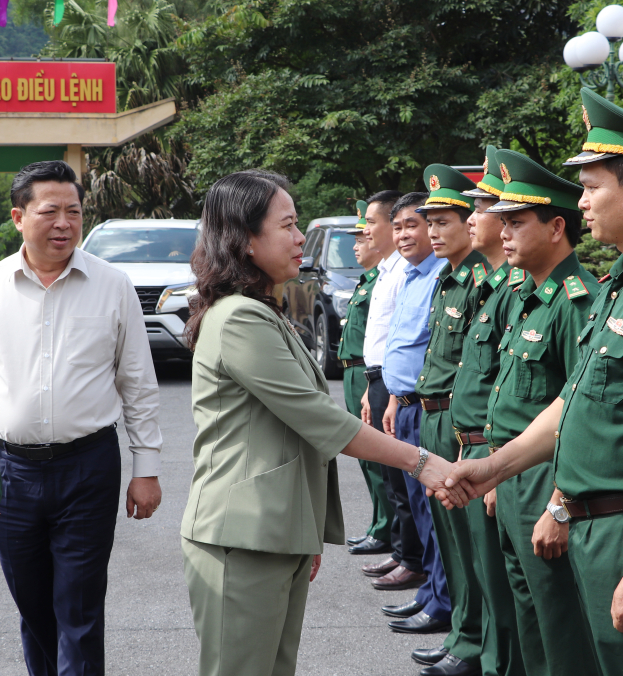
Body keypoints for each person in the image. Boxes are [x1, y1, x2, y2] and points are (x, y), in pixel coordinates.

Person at [443, 89, 623, 676]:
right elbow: (572, 405)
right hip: (594, 523)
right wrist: (492, 467)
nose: (584, 201)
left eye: (593, 187)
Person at [179, 169, 472, 676]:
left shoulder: (259, 311)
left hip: (272, 534)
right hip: (243, 538)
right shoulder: (240, 320)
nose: (300, 239)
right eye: (288, 226)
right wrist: (421, 461)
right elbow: (320, 421)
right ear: (245, 240)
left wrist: (304, 532)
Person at [0, 160, 164, 676]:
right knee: (32, 607)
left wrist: (147, 467)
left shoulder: (112, 285)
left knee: (78, 605)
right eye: (49, 211)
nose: (63, 224)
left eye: (73, 212)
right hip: (11, 474)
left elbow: (137, 381)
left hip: (88, 467)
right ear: (17, 217)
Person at [482, 149, 599, 676]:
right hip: (511, 476)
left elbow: (578, 413)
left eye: (516, 222)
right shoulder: (526, 297)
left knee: (559, 625)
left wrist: (559, 503)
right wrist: (493, 474)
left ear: (556, 228)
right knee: (525, 611)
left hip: (545, 480)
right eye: (501, 222)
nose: (503, 233)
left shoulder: (577, 302)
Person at [426, 145, 525, 676]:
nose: (488, 218)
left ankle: (490, 658)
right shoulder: (490, 285)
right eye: (490, 208)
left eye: (485, 207)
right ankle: (476, 648)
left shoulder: (511, 289)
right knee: (473, 561)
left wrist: (495, 459)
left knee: (501, 575)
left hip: (495, 450)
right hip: (467, 439)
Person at [398, 165, 488, 676]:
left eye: (442, 221)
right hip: (429, 415)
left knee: (470, 547)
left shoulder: (479, 280)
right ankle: (462, 634)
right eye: (426, 221)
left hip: (457, 420)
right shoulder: (449, 278)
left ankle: (473, 642)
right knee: (449, 539)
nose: (432, 231)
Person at [375, 192, 453, 639]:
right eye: (398, 226)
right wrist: (392, 399)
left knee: (433, 510)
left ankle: (443, 601)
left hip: (429, 410)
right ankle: (430, 591)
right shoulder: (409, 275)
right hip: (403, 405)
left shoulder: (441, 276)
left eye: (414, 225)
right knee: (419, 512)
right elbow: (401, 347)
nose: (404, 234)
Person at [337, 200, 394, 557]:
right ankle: (379, 522)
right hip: (352, 372)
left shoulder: (382, 280)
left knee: (376, 455)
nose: (358, 243)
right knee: (365, 458)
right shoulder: (368, 280)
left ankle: (386, 527)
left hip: (366, 370)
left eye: (362, 234)